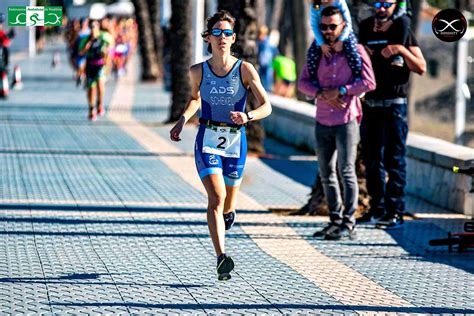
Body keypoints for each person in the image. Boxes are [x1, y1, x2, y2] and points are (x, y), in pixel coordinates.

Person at [169, 10, 271, 281]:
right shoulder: (198, 71)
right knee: (216, 197)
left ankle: (229, 214)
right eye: (217, 32)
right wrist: (182, 120)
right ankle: (221, 257)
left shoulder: (245, 70)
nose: (222, 37)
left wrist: (248, 116)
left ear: (234, 37)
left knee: (227, 205)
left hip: (236, 142)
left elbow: (267, 106)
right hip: (208, 139)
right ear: (208, 37)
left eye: (227, 33)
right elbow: (194, 99)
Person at [298, 6, 376, 240]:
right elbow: (302, 83)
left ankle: (348, 222)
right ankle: (334, 220)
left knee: (346, 171)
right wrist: (322, 93)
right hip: (322, 120)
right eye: (324, 27)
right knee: (326, 173)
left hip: (346, 121)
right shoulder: (316, 52)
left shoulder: (355, 51)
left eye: (333, 26)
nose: (329, 31)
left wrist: (342, 90)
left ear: (343, 26)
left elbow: (369, 82)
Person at [357, 0, 426, 228]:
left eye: (387, 3)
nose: (382, 7)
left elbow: (421, 67)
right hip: (371, 104)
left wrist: (400, 50)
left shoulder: (403, 27)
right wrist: (360, 53)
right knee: (371, 160)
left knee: (394, 160)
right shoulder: (366, 27)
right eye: (377, 3)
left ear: (396, 5)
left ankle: (395, 211)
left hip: (395, 105)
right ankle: (377, 208)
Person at [308, 0, 362, 89]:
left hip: (345, 33)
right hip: (323, 34)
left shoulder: (339, 2)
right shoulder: (315, 6)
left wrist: (341, 40)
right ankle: (313, 80)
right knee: (312, 54)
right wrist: (321, 43)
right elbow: (314, 25)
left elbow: (348, 23)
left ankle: (357, 77)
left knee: (352, 51)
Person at [79, 20, 112, 121]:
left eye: (95, 26)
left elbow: (111, 46)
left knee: (100, 85)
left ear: (98, 27)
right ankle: (91, 109)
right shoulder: (86, 39)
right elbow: (80, 53)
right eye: (91, 27)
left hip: (100, 65)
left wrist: (106, 53)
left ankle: (100, 104)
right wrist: (86, 47)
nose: (93, 29)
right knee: (91, 89)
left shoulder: (104, 37)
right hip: (90, 66)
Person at [257, 25, 278, 92]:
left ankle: (267, 91)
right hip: (260, 63)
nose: (260, 36)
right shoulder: (259, 42)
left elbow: (275, 52)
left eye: (261, 34)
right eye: (259, 34)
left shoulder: (269, 42)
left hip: (268, 63)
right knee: (260, 78)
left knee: (267, 78)